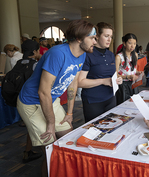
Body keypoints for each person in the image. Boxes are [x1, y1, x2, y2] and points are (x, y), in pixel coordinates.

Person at [17, 20, 96, 176]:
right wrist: (51, 123)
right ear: (79, 39)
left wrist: (70, 112)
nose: (95, 41)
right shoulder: (57, 53)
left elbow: (73, 82)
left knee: (69, 140)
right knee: (51, 151)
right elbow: (43, 92)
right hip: (31, 102)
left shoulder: (82, 55)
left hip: (51, 101)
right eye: (92, 37)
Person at [78, 22, 122, 122]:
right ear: (97, 36)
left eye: (111, 36)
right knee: (95, 131)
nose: (109, 39)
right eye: (106, 36)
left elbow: (114, 74)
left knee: (111, 128)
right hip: (93, 100)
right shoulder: (87, 55)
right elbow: (80, 82)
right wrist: (103, 81)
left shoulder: (110, 55)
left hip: (110, 98)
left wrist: (118, 79)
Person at [115, 33, 143, 105]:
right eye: (130, 43)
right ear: (124, 43)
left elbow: (134, 69)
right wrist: (128, 76)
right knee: (123, 104)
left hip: (133, 84)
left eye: (134, 43)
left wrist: (138, 72)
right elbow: (115, 75)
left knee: (134, 104)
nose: (132, 45)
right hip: (123, 85)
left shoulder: (135, 55)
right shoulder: (119, 57)